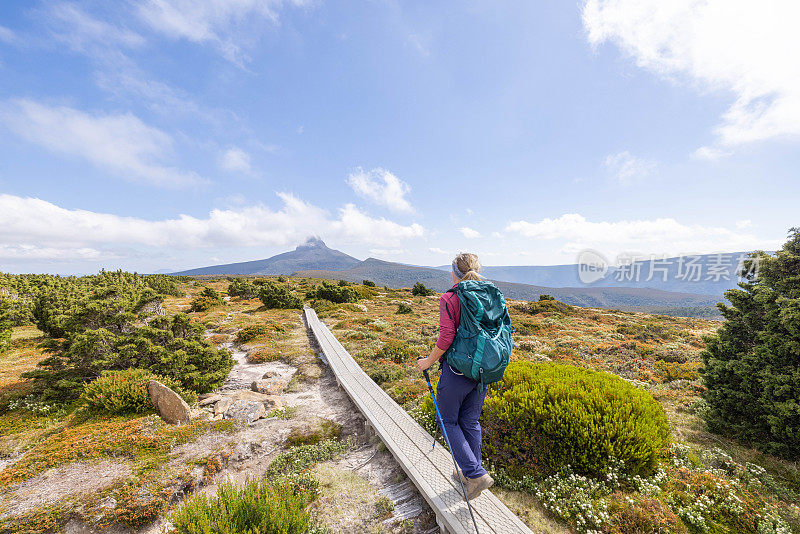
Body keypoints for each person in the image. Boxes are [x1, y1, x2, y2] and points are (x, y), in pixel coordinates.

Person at [416, 252, 495, 499]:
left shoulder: (450, 297)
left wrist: (428, 361)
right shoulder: (490, 294)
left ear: (454, 273)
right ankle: (472, 473)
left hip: (458, 370)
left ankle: (475, 473)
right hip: (483, 371)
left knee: (448, 421)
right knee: (470, 422)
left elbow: (446, 337)